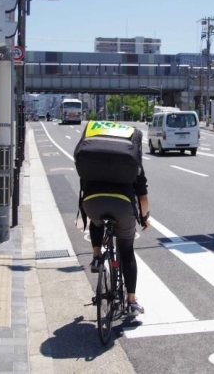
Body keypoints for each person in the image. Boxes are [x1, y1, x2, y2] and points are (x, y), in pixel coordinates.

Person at [79, 129, 150, 318]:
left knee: (97, 222)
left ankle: (96, 256)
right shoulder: (133, 162)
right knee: (126, 251)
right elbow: (142, 197)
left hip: (92, 203)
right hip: (123, 206)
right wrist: (144, 218)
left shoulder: (91, 157)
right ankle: (131, 302)